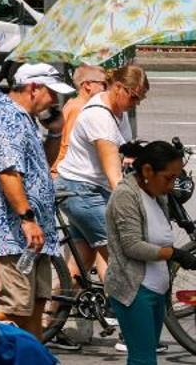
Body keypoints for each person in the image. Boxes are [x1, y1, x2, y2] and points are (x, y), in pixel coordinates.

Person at [0, 62, 74, 336]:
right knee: (15, 305)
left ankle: (32, 355)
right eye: (52, 93)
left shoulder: (22, 118)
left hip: (31, 235)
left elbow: (40, 164)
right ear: (32, 88)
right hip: (12, 232)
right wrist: (27, 219)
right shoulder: (5, 119)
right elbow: (8, 172)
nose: (55, 100)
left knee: (36, 303)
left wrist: (55, 131)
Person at [105, 139, 195, 365]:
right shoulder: (126, 195)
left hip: (158, 291)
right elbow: (132, 246)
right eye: (168, 178)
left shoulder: (158, 194)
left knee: (146, 358)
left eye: (176, 178)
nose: (172, 184)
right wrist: (174, 254)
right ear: (147, 170)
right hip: (135, 292)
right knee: (143, 360)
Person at [54, 65, 145, 270]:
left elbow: (123, 150)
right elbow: (113, 174)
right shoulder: (100, 117)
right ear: (118, 87)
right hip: (81, 192)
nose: (136, 103)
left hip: (88, 189)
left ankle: (61, 301)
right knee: (124, 261)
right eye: (134, 97)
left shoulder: (117, 111)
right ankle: (117, 302)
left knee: (82, 263)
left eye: (141, 99)